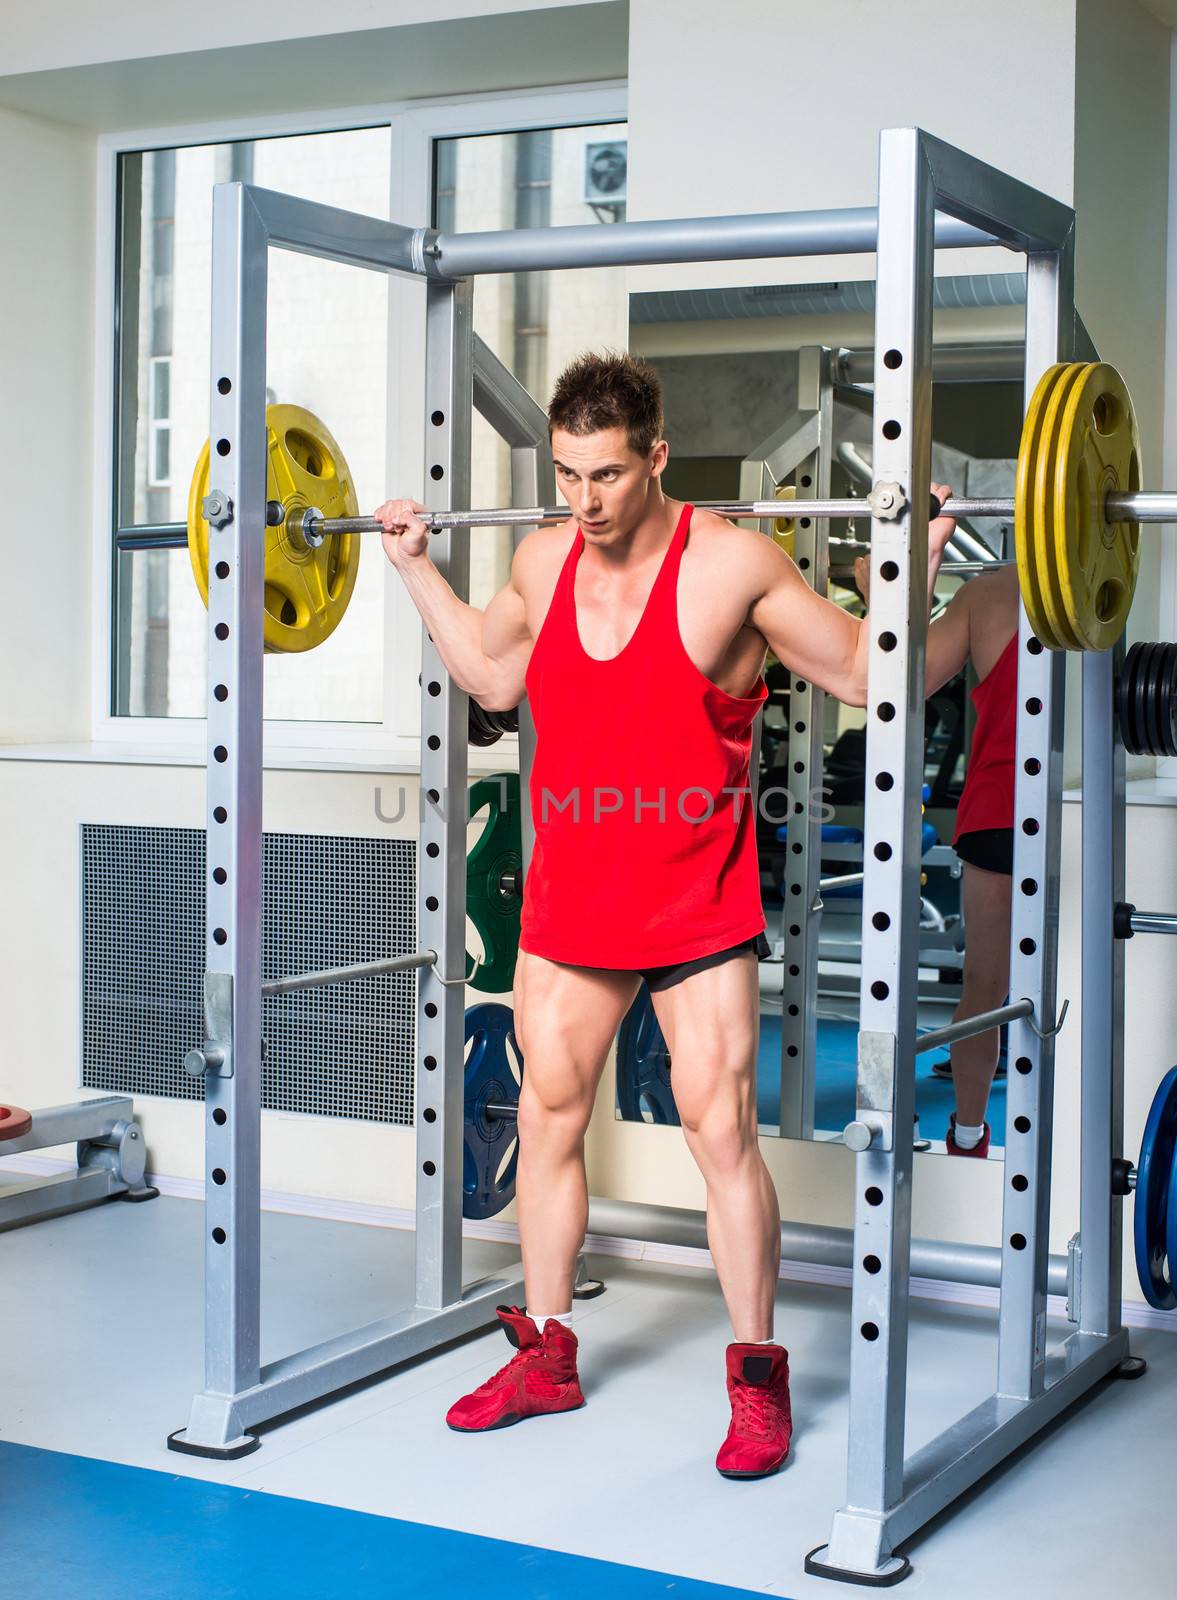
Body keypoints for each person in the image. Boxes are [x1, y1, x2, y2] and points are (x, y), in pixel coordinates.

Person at [377, 352, 957, 1478]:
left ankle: (754, 1377)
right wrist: (414, 572)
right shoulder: (543, 559)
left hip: (696, 903)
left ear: (656, 456)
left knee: (719, 1134)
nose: (581, 501)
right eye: (562, 476)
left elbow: (860, 678)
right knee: (547, 1117)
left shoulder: (732, 562)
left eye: (603, 475)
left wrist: (916, 558)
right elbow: (493, 682)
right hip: (573, 899)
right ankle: (544, 1352)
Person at [856, 549, 1018, 1159]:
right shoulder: (1107, 596)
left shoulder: (990, 594)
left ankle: (970, 1137)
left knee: (987, 985)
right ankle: (974, 1134)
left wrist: (885, 597)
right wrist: (889, 595)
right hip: (1044, 808)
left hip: (1000, 808)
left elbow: (900, 681)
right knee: (997, 984)